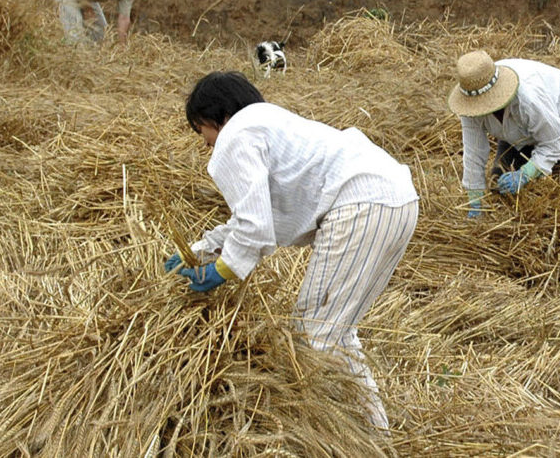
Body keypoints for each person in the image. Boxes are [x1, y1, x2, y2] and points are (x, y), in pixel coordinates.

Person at [166, 71, 419, 431]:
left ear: (212, 116)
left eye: (200, 130)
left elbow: (255, 225)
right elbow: (265, 217)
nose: (204, 142)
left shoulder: (233, 137)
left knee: (310, 336)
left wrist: (221, 270)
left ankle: (330, 438)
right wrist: (203, 248)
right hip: (396, 199)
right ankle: (375, 435)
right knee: (336, 332)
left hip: (360, 205)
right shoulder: (269, 122)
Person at [448, 51, 560, 217]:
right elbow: (473, 152)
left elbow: (553, 143)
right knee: (500, 183)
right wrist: (474, 199)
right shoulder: (470, 102)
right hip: (517, 130)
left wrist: (526, 174)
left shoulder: (528, 98)